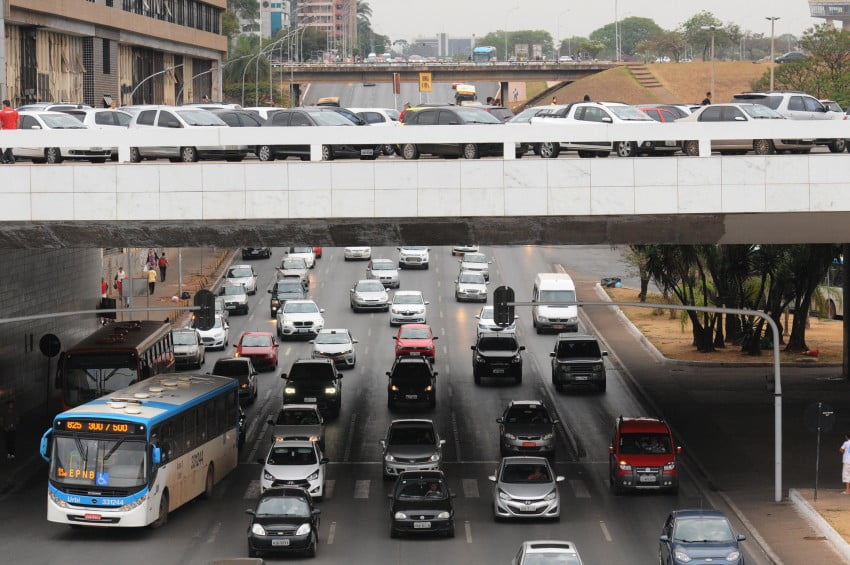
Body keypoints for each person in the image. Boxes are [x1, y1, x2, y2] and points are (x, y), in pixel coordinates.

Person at [0, 99, 21, 164]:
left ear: (5, 105)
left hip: (5, 131)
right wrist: (16, 129)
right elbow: (18, 122)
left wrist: (1, 129)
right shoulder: (15, 112)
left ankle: (5, 158)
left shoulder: (2, 112)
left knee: (9, 146)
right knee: (10, 146)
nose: (2, 106)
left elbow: (1, 123)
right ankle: (10, 160)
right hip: (13, 131)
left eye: (3, 104)